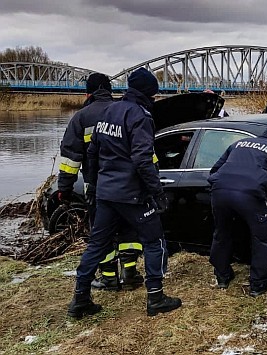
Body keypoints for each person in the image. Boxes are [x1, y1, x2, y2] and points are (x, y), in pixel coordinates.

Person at [67, 68, 181, 318]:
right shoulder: (140, 115)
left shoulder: (109, 110)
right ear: (148, 93)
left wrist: (94, 184)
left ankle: (80, 299)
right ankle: (156, 297)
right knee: (154, 241)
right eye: (154, 93)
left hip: (106, 193)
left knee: (96, 245)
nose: (155, 97)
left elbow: (92, 151)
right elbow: (143, 160)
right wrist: (157, 192)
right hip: (133, 195)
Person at [57, 73, 144, 291]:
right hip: (127, 185)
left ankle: (109, 278)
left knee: (101, 233)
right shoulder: (123, 112)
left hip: (96, 187)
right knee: (128, 232)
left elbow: (71, 159)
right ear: (109, 89)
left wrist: (64, 189)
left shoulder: (81, 117)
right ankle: (130, 274)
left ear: (88, 93)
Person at [207, 126, 267, 297]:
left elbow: (215, 170)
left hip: (220, 192)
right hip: (251, 195)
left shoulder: (238, 143)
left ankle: (222, 276)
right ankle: (259, 283)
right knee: (262, 238)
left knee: (221, 234)